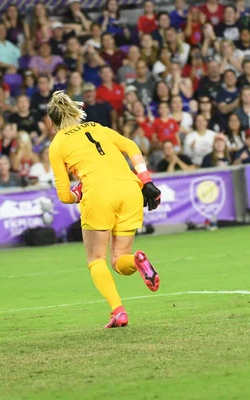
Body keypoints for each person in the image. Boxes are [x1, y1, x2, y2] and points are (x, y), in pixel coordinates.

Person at [47, 90, 162, 328]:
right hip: (130, 188)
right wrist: (146, 181)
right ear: (76, 112)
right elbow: (131, 146)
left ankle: (118, 311)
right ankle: (138, 260)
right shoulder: (97, 127)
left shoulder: (57, 144)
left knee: (96, 259)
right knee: (121, 261)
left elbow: (63, 195)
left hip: (98, 193)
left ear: (52, 122)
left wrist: (77, 193)